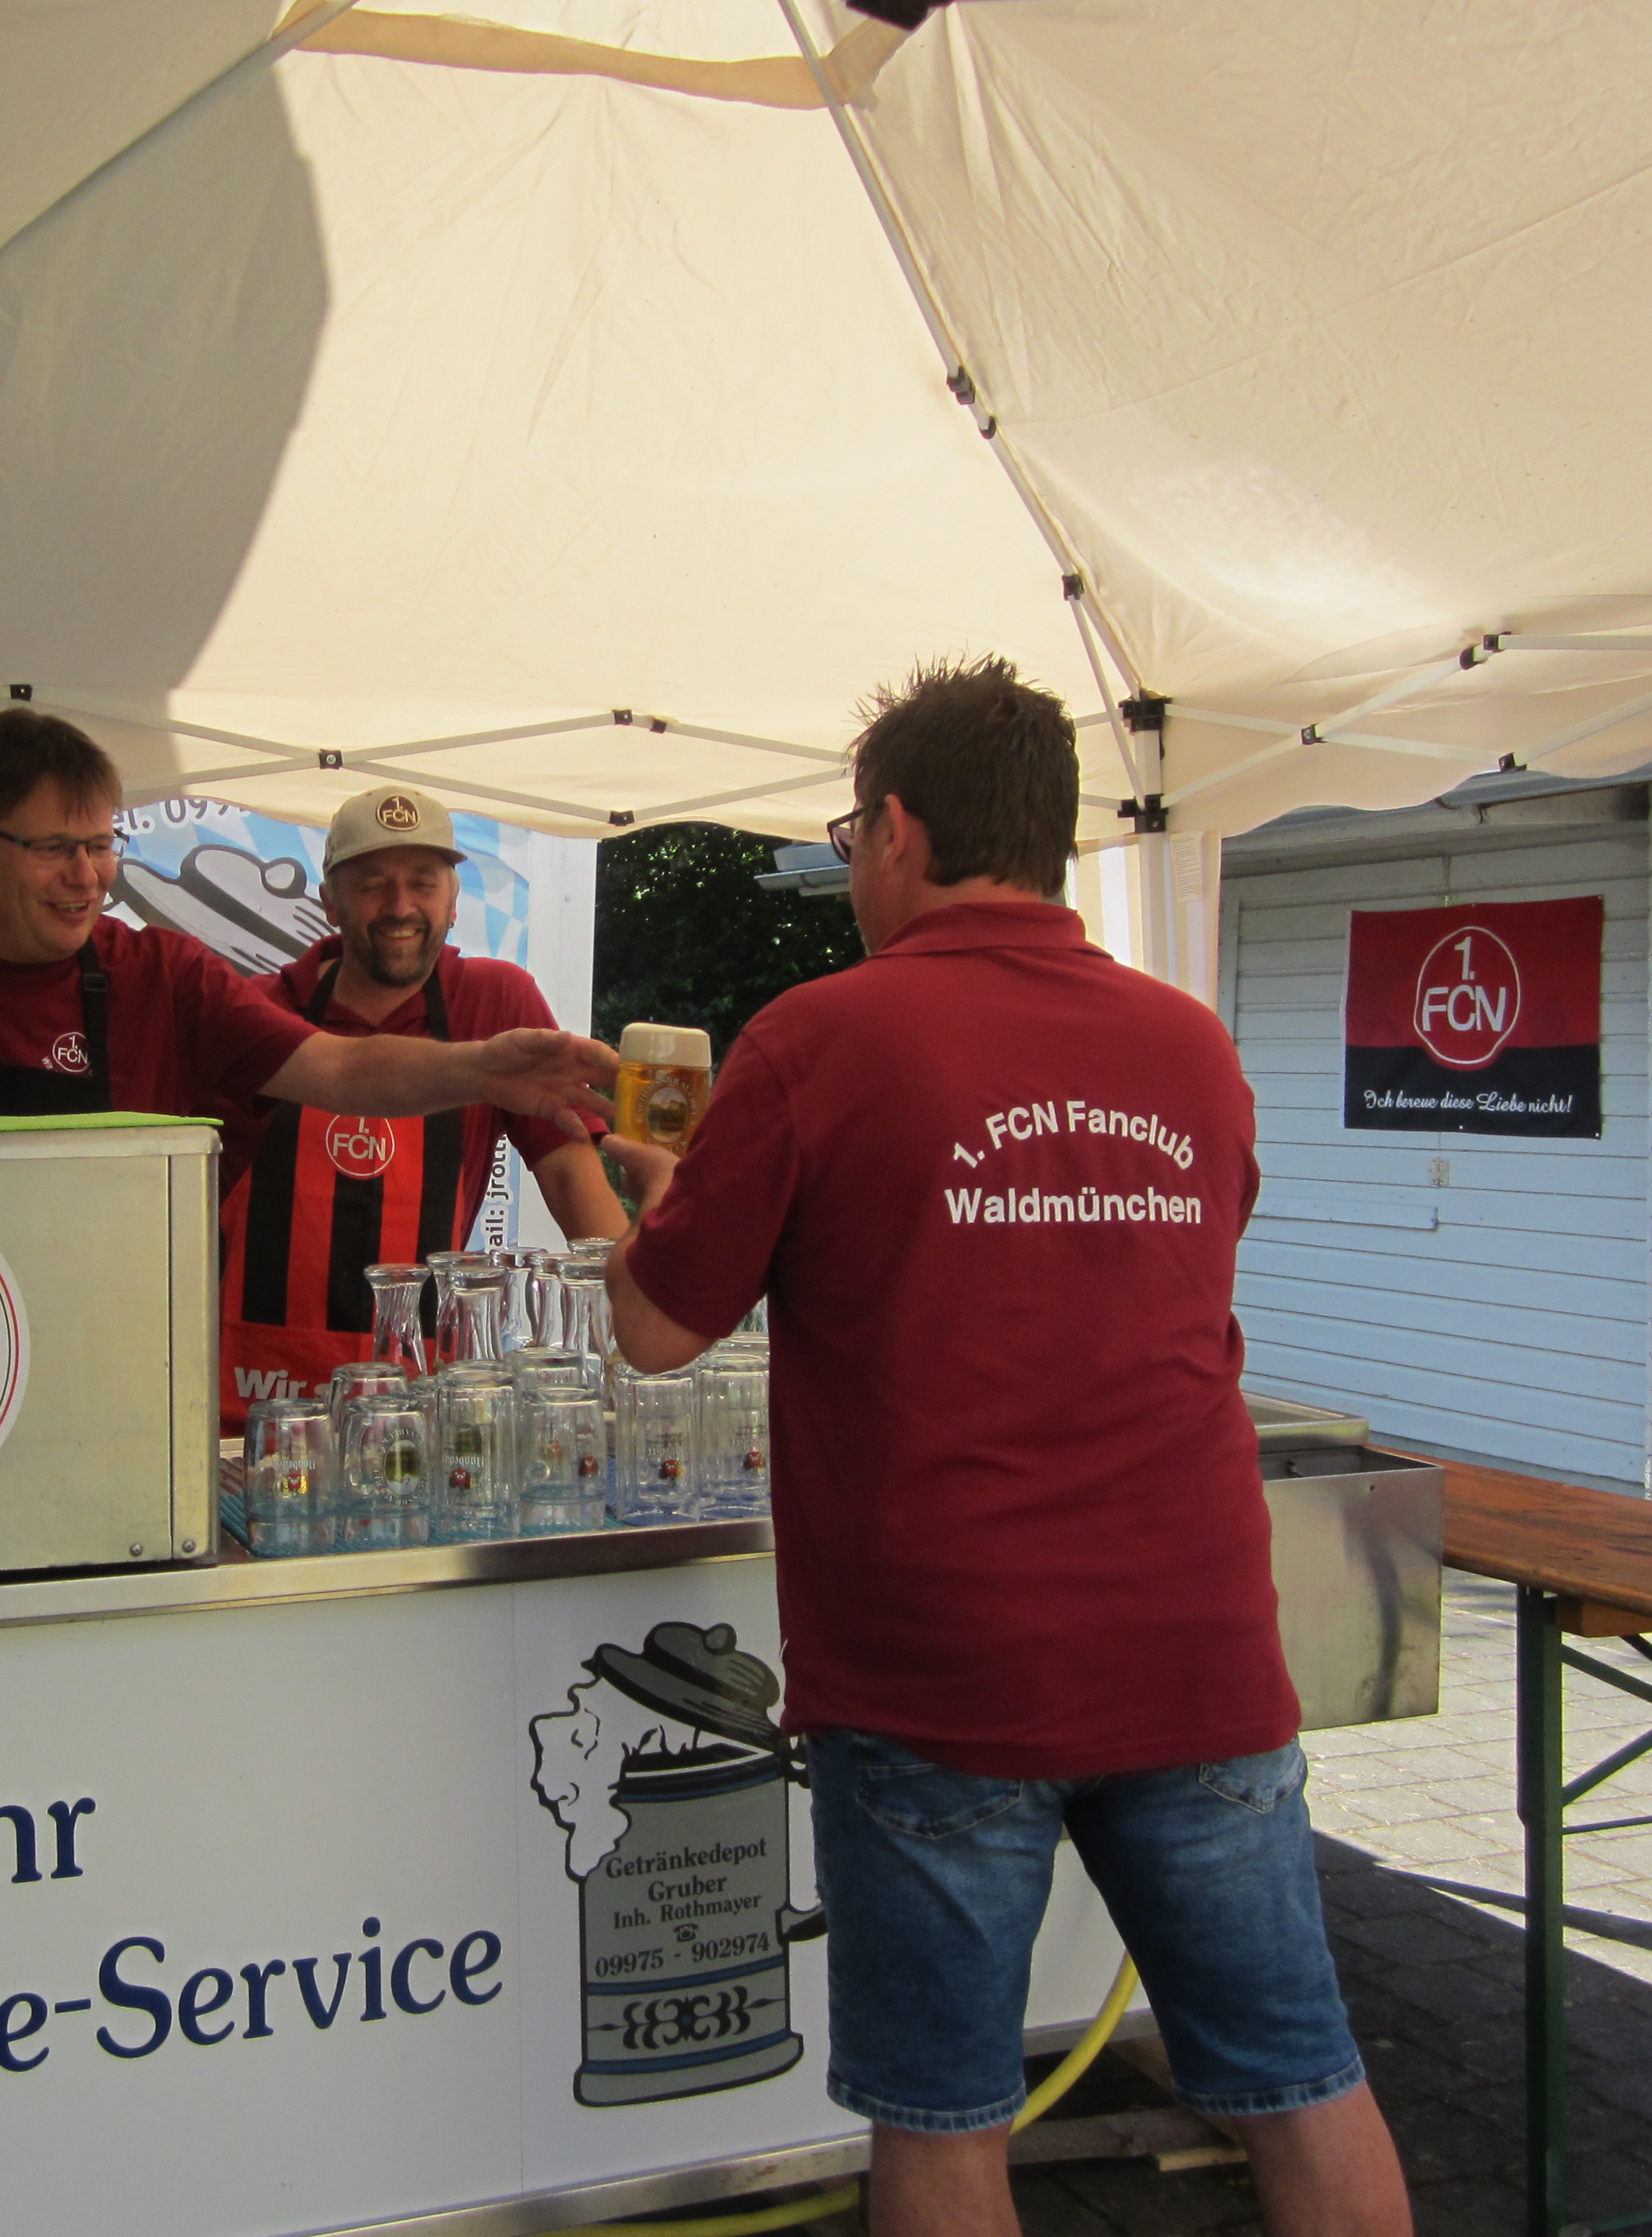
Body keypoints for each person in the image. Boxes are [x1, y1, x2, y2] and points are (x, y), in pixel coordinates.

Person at [598, 658, 1409, 2237]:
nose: (852, 871)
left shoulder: (820, 1038)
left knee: (944, 2121)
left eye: (850, 840)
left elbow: (653, 1331)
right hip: (1195, 1650)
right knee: (1300, 2082)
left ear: (899, 829)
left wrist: (659, 1199)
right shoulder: (1190, 1044)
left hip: (940, 1673)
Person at [0, 711, 614, 1154]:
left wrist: (480, 1070)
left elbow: (342, 1067)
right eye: (55, 849)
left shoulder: (162, 977)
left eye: (100, 845)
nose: (88, 877)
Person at [215, 784, 627, 1420]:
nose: (400, 905)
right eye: (372, 884)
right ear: (329, 901)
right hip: (253, 1414)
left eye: (423, 883)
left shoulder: (496, 1002)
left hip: (420, 1412)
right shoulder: (260, 1011)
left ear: (454, 902)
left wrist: (649, 1321)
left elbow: (575, 1181)